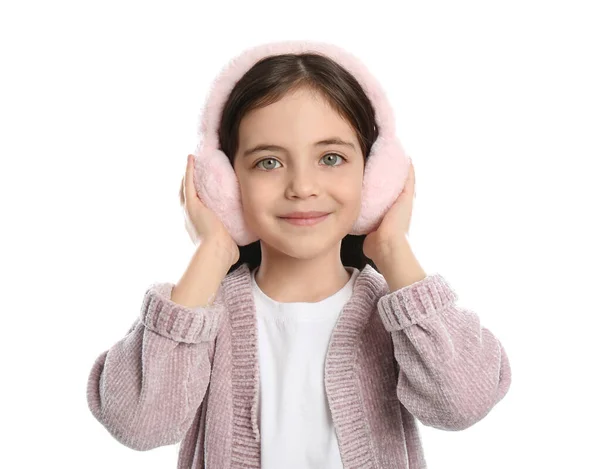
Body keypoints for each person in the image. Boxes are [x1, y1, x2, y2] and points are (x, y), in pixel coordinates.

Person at [87, 41, 512, 469]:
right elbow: (137, 424)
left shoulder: (397, 316)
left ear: (376, 175)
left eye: (331, 158)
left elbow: (464, 403)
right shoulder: (202, 316)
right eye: (268, 162)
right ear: (226, 185)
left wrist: (393, 249)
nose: (302, 187)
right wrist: (211, 253)